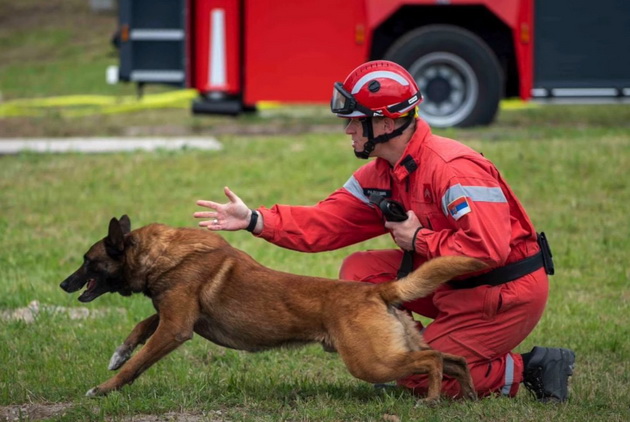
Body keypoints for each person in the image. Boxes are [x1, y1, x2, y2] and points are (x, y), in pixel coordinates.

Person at [193, 60, 575, 402]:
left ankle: (528, 368)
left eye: (355, 120)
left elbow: (488, 249)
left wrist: (419, 239)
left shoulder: (452, 168)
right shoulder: (382, 170)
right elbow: (327, 222)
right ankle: (411, 348)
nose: (348, 130)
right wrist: (255, 219)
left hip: (501, 290)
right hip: (450, 281)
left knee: (420, 377)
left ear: (387, 123)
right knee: (358, 275)